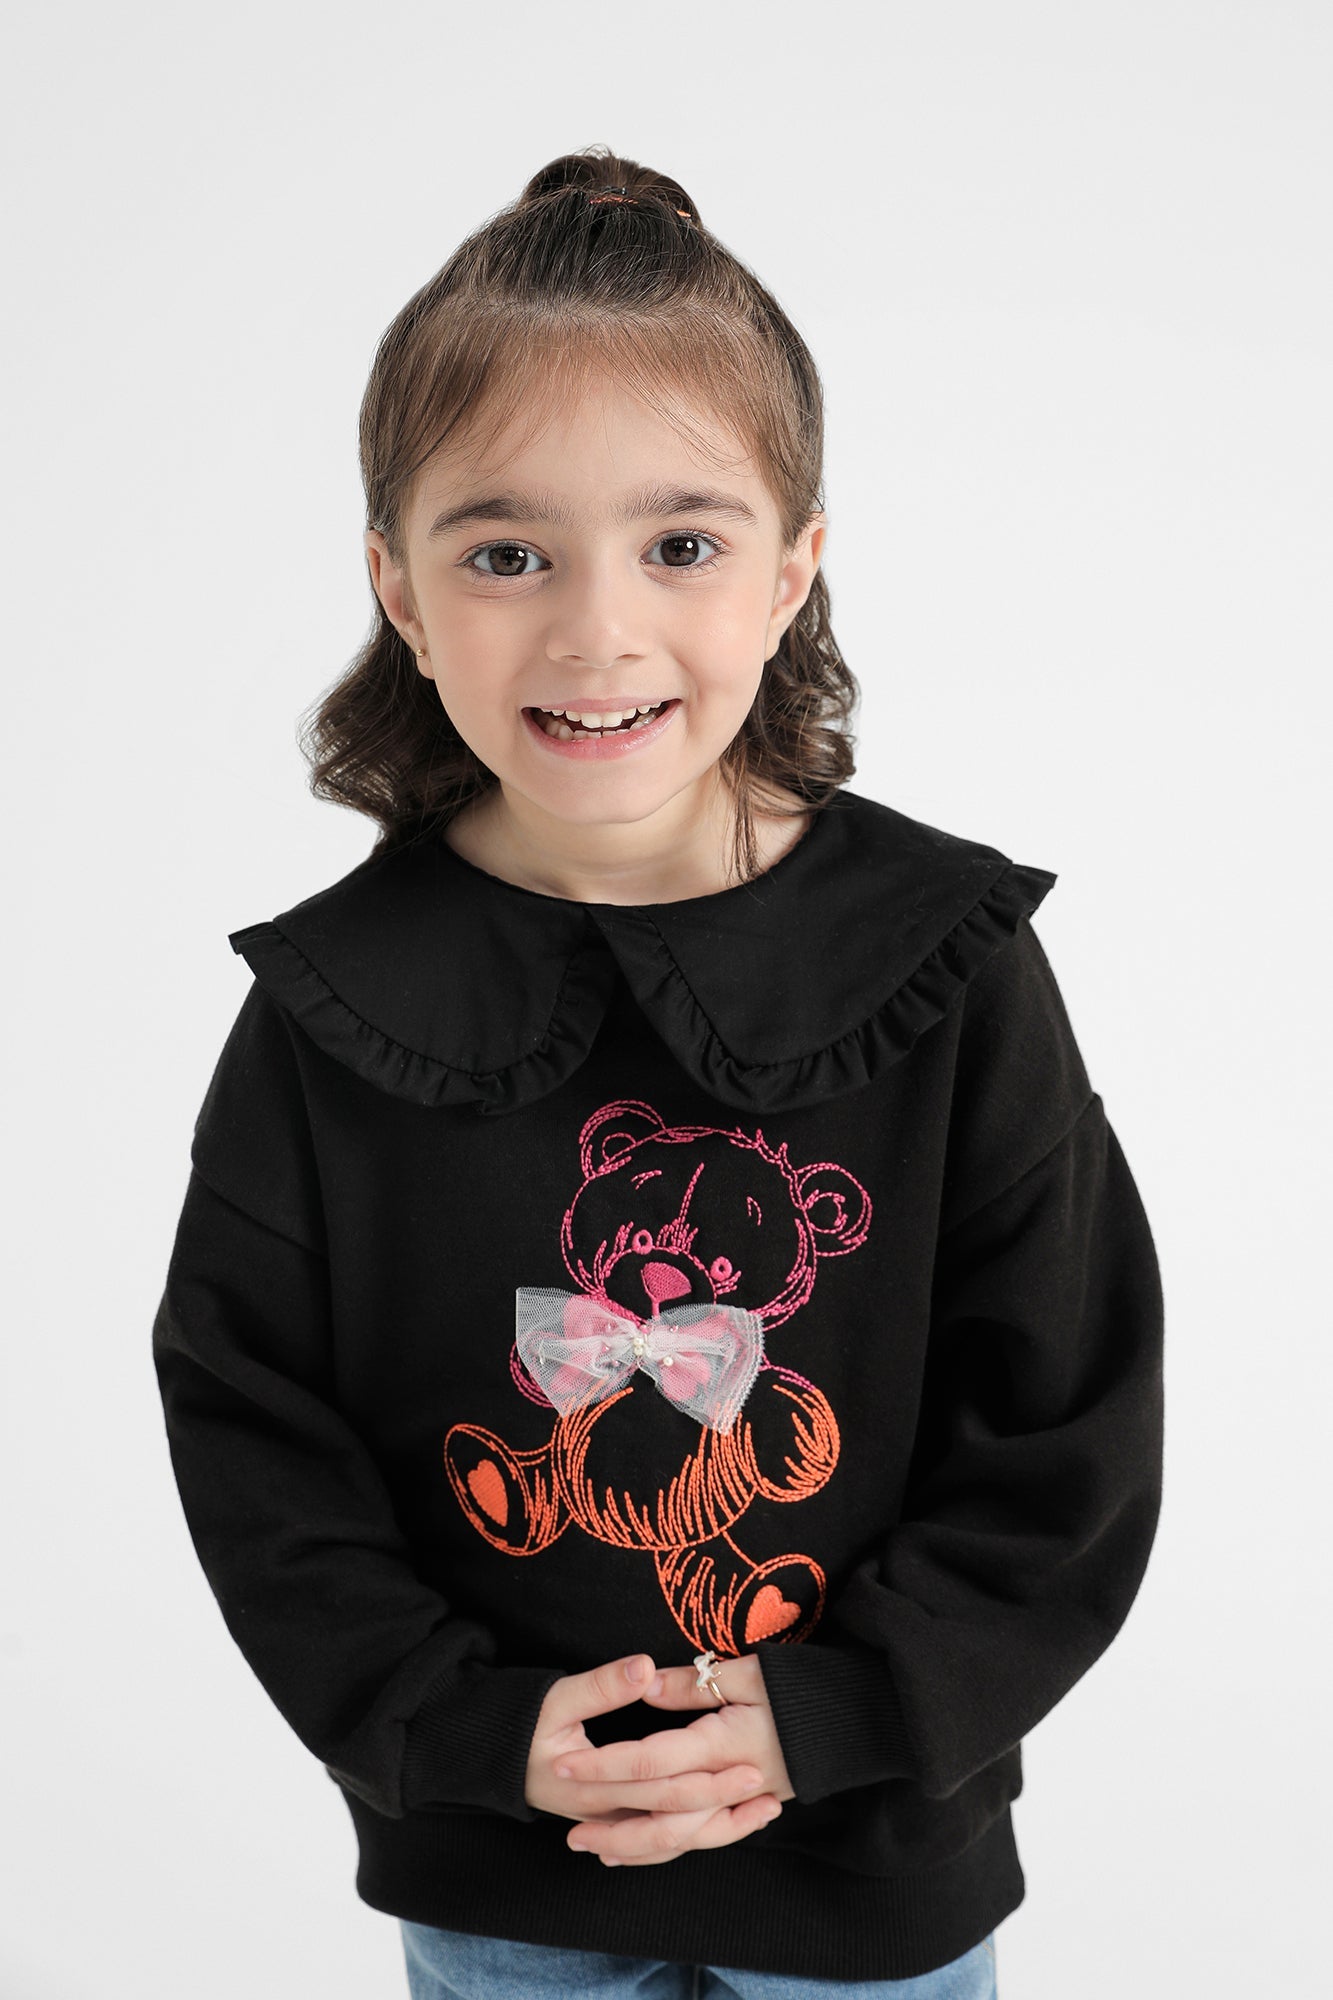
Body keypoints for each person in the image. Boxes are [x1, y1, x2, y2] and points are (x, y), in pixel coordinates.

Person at [151, 145, 1165, 2000]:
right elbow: (253, 1437)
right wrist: (458, 1727)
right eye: (504, 553)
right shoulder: (328, 1005)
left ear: (792, 572)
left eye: (679, 545)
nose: (595, 630)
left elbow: (1066, 1423)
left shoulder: (950, 965)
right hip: (502, 1873)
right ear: (398, 588)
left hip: (872, 1863)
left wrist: (843, 1708)